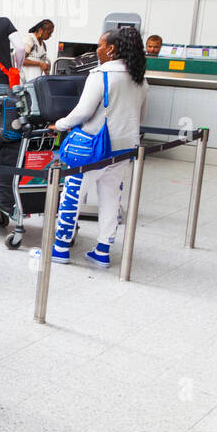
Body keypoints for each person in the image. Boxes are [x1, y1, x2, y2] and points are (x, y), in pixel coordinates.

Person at [51, 27, 149, 269]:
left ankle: (61, 248)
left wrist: (60, 124)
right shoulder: (140, 79)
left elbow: (82, 112)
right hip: (124, 148)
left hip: (92, 147)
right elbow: (141, 117)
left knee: (72, 194)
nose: (98, 50)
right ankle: (103, 251)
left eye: (100, 45)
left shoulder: (101, 74)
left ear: (111, 49)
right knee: (111, 198)